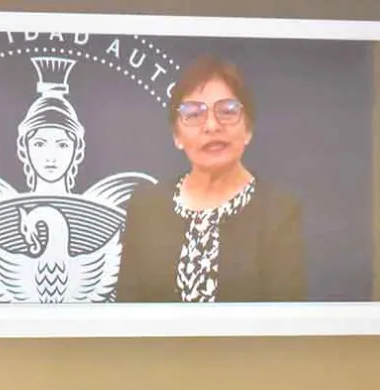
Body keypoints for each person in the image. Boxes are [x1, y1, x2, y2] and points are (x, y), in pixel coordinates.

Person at [115, 55, 307, 302]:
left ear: (248, 129)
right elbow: (127, 313)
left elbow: (284, 321)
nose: (212, 126)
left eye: (227, 111)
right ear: (177, 135)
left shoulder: (280, 210)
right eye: (194, 114)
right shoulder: (146, 206)